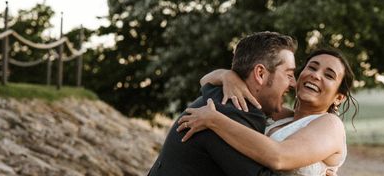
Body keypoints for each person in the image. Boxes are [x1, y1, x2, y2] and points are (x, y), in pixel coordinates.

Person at [177, 48, 358, 176]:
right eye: (312, 67)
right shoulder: (281, 115)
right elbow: (205, 81)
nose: (316, 75)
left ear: (339, 97)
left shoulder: (330, 124)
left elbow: (279, 157)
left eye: (329, 75)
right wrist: (228, 76)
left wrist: (214, 121)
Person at [147, 31, 298, 175]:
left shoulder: (220, 99)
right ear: (260, 74)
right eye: (289, 74)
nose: (294, 83)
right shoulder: (232, 111)